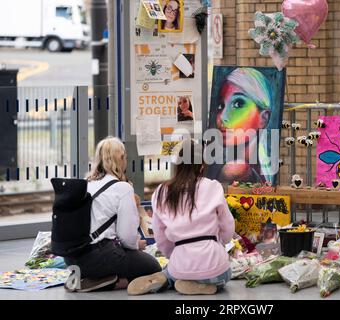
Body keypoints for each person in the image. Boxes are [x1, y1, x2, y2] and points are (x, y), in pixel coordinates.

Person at [127, 140, 235, 295]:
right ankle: (206, 286)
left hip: (180, 263)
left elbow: (160, 234)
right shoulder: (213, 187)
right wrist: (221, 242)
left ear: (177, 164)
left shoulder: (162, 192)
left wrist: (174, 254)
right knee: (225, 275)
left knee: (173, 272)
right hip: (213, 262)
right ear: (202, 165)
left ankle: (166, 278)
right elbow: (228, 225)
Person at [64, 137, 161, 292]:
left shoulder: (85, 184)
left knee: (117, 256)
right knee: (153, 266)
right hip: (98, 257)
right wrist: (137, 245)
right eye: (125, 158)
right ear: (121, 159)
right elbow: (127, 238)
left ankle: (90, 277)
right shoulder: (123, 188)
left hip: (70, 258)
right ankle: (110, 280)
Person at [206, 67, 276, 184]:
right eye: (221, 105)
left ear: (263, 118)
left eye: (238, 104)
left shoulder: (236, 169)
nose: (222, 117)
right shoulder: (264, 173)